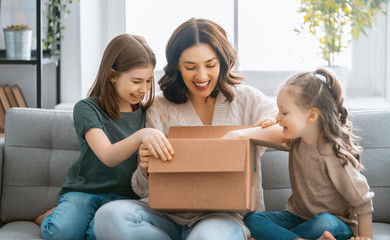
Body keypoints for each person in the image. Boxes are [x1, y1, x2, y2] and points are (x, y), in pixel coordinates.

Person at [93, 18, 279, 240]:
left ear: (223, 62)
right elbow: (142, 189)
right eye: (190, 67)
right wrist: (145, 168)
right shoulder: (160, 106)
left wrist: (241, 135)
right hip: (165, 217)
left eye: (210, 65)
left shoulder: (247, 100)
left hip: (224, 218)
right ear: (177, 66)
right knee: (108, 216)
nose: (201, 76)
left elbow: (287, 133)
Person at [35, 33, 174, 240]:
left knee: (98, 235)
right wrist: (142, 135)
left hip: (125, 199)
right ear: (112, 75)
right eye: (136, 81)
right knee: (61, 233)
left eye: (148, 81)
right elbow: (108, 155)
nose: (144, 89)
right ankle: (47, 217)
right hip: (84, 191)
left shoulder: (149, 111)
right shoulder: (87, 108)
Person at [224, 68, 374, 240]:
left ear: (311, 115)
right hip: (298, 218)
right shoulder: (296, 141)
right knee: (252, 219)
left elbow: (362, 199)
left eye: (284, 112)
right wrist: (247, 131)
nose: (277, 118)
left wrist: (365, 237)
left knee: (325, 223)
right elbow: (260, 136)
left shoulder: (333, 155)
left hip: (335, 224)